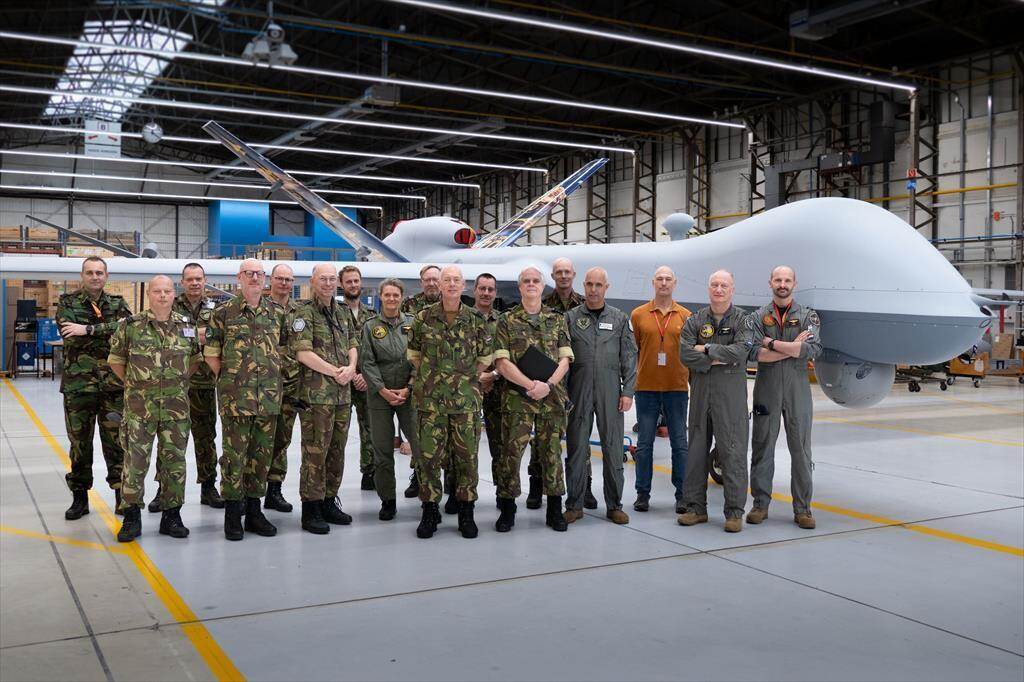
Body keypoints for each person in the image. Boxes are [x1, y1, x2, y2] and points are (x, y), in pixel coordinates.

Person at [109, 276, 201, 542]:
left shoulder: (187, 326)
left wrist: (176, 383)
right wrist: (135, 385)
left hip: (176, 409)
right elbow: (116, 361)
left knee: (174, 463)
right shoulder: (130, 326)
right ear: (149, 294)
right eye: (157, 291)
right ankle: (131, 517)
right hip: (140, 409)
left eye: (167, 291)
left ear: (174, 294)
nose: (162, 295)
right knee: (135, 463)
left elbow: (195, 361)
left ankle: (172, 516)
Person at [407, 265, 492, 539]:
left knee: (467, 458)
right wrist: (435, 378)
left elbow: (485, 357)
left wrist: (463, 379)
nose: (452, 284)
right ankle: (430, 510)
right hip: (431, 402)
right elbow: (414, 355)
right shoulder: (423, 318)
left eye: (456, 280)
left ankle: (466, 511)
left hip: (465, 403)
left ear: (463, 285)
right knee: (429, 459)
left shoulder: (476, 320)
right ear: (440, 285)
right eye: (447, 280)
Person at [204, 259, 284, 541]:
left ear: (265, 278)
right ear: (239, 277)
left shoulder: (276, 313)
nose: (254, 278)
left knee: (261, 457)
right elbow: (211, 354)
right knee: (234, 458)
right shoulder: (223, 313)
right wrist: (232, 381)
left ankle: (253, 512)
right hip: (236, 400)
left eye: (259, 274)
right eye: (249, 273)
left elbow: (285, 350)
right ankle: (232, 513)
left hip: (268, 399)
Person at [494, 266, 574, 533]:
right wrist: (531, 386)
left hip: (551, 398)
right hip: (518, 398)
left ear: (542, 286)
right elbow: (502, 363)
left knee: (552, 453)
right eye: (526, 281)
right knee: (511, 454)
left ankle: (554, 509)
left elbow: (565, 359)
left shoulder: (557, 319)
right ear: (520, 287)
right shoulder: (506, 320)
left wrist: (547, 386)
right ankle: (507, 509)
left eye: (535, 281)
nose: (531, 284)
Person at [678, 270, 755, 533]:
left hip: (730, 397)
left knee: (733, 453)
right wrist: (721, 358)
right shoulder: (695, 320)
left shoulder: (744, 320)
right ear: (708, 288)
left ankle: (734, 512)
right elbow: (685, 354)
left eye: (724, 285)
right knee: (696, 451)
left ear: (732, 289)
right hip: (701, 394)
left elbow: (741, 352)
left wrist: (707, 349)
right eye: (714, 285)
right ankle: (695, 508)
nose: (719, 289)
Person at [57, 256, 132, 520]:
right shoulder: (67, 303)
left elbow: (127, 330)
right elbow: (69, 334)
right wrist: (106, 331)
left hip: (113, 387)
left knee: (117, 443)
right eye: (90, 272)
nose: (95, 277)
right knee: (80, 444)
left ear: (106, 276)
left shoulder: (117, 303)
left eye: (99, 272)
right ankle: (80, 498)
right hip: (79, 388)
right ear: (82, 275)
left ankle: (121, 496)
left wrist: (86, 329)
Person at [747, 266, 822, 529]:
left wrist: (771, 343)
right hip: (766, 386)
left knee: (801, 449)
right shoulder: (757, 317)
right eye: (778, 280)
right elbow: (753, 353)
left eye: (787, 280)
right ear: (770, 283)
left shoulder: (808, 316)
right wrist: (792, 348)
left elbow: (811, 349)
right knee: (762, 446)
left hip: (797, 389)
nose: (782, 284)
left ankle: (803, 509)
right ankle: (760, 505)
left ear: (794, 284)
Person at [144, 262, 222, 513]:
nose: (195, 283)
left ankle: (208, 487)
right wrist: (201, 334)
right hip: (173, 384)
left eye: (199, 278)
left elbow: (219, 336)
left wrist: (192, 333)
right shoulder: (170, 304)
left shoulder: (216, 308)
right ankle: (163, 490)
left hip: (204, 383)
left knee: (206, 437)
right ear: (182, 282)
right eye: (190, 279)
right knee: (167, 439)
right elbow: (161, 332)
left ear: (205, 280)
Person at [564, 267, 637, 525]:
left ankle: (615, 505)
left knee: (614, 449)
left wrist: (628, 391)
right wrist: (563, 394)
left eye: (598, 285)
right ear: (583, 286)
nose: (593, 289)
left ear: (607, 287)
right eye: (589, 284)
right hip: (578, 391)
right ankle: (574, 505)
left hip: (610, 392)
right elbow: (562, 358)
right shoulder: (570, 318)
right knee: (576, 448)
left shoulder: (619, 319)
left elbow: (629, 357)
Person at [289, 264, 358, 534]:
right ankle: (311, 508)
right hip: (316, 396)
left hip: (342, 396)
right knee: (315, 453)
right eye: (323, 279)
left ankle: (330, 501)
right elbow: (302, 353)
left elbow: (353, 344)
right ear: (313, 282)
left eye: (331, 279)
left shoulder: (343, 312)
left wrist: (351, 368)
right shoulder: (303, 312)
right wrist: (336, 372)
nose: (328, 283)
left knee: (337, 452)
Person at [629, 266, 692, 513]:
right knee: (644, 444)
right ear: (653, 283)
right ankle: (642, 494)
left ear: (674, 283)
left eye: (668, 279)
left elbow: (690, 352)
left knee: (680, 444)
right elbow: (634, 350)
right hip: (646, 389)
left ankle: (682, 494)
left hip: (677, 389)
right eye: (659, 279)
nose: (664, 283)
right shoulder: (638, 315)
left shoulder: (686, 316)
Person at [360, 278, 421, 520]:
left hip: (409, 395)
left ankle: (427, 496)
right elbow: (367, 362)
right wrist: (383, 390)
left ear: (402, 297)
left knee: (420, 446)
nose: (392, 299)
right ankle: (388, 500)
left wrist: (409, 387)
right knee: (383, 451)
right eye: (387, 295)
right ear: (381, 297)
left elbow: (419, 357)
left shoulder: (412, 323)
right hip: (379, 397)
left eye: (396, 295)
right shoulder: (370, 327)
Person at [535, 257, 593, 509]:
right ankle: (537, 485)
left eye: (567, 272)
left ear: (573, 274)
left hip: (578, 377)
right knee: (544, 436)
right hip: (551, 377)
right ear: (553, 276)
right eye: (559, 272)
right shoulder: (543, 304)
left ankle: (584, 486)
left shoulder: (585, 303)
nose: (563, 276)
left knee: (580, 436)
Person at [399, 264, 441, 496]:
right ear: (421, 282)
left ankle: (449, 480)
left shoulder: (454, 303)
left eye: (435, 279)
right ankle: (418, 476)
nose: (432, 283)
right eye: (428, 280)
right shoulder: (409, 305)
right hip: (419, 378)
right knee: (419, 431)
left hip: (449, 380)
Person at [340, 265, 377, 492]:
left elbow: (375, 350)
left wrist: (365, 376)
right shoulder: (335, 313)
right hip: (341, 380)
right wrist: (352, 373)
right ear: (341, 284)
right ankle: (332, 478)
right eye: (349, 281)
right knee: (339, 431)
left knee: (370, 428)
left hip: (366, 381)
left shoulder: (371, 316)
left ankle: (369, 472)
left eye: (356, 281)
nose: (353, 285)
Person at [265, 263, 298, 513]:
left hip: (292, 384)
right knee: (259, 440)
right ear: (271, 280)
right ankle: (248, 491)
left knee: (282, 438)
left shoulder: (301, 312)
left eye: (288, 279)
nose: (284, 283)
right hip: (264, 386)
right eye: (280, 278)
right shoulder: (261, 308)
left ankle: (274, 490)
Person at [472, 273, 504, 505]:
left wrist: (493, 375)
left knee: (500, 445)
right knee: (464, 446)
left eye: (490, 289)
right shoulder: (463, 318)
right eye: (482, 288)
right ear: (475, 290)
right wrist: (477, 377)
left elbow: (510, 354)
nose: (486, 293)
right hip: (467, 391)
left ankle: (503, 493)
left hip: (497, 389)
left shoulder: (503, 322)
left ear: (495, 293)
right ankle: (460, 493)